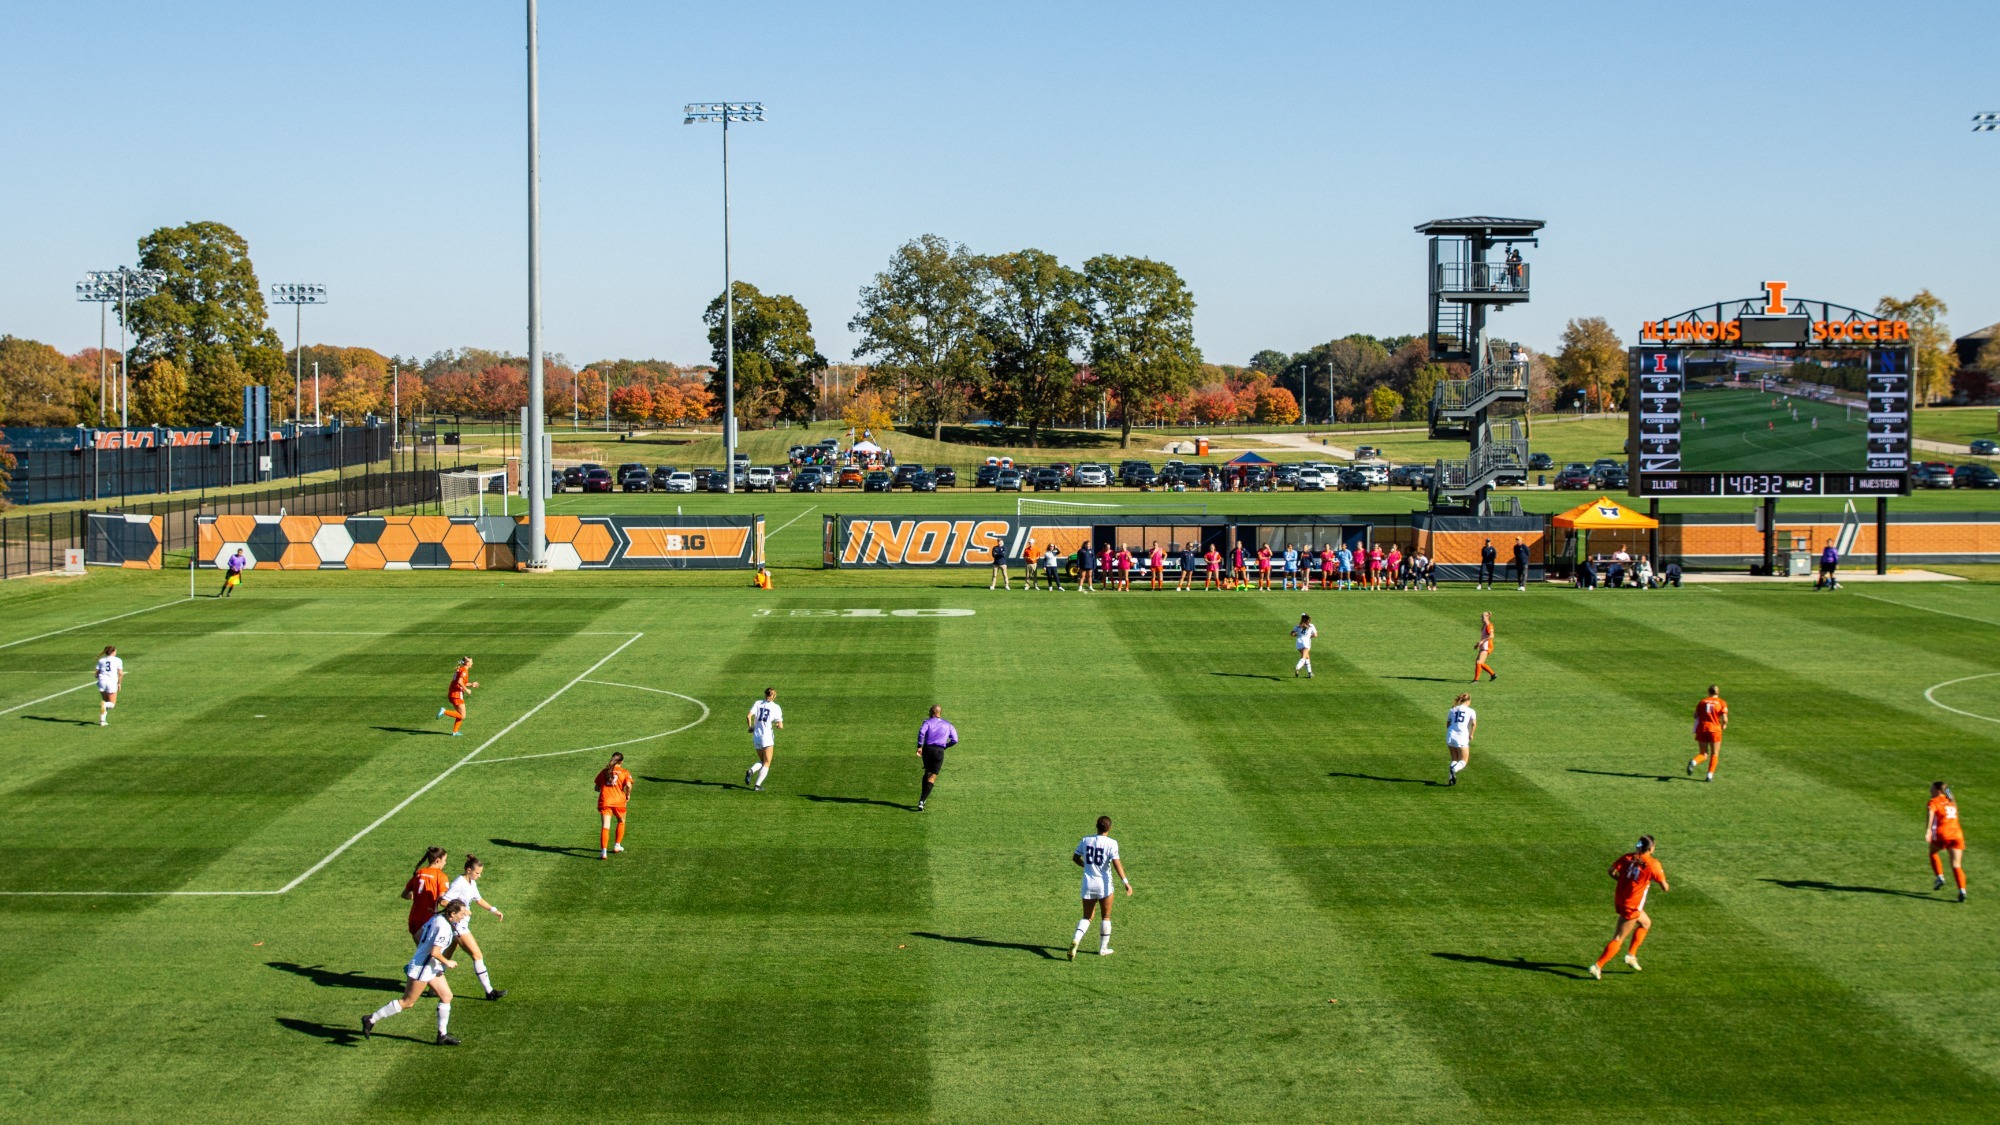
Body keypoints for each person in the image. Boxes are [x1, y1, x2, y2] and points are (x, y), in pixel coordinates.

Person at [363, 898, 470, 1045]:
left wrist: (422, 951)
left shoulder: (436, 918)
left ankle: (442, 1035)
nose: (464, 916)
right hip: (423, 967)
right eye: (462, 914)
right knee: (407, 1002)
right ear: (452, 914)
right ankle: (371, 1019)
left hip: (429, 965)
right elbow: (435, 952)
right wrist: (447, 962)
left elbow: (418, 935)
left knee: (446, 996)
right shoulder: (444, 928)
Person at [1589, 836, 1669, 979]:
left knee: (1646, 923)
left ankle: (1631, 955)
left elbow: (1611, 871)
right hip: (1632, 906)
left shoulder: (1628, 857)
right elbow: (1665, 887)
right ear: (1651, 848)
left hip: (1621, 899)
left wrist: (1623, 881)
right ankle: (1598, 966)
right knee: (1618, 938)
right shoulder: (1653, 864)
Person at [441, 855, 507, 1000]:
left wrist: (493, 910)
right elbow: (444, 901)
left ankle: (434, 986)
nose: (479, 876)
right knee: (477, 955)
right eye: (477, 873)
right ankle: (489, 992)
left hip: (461, 924)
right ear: (468, 870)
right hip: (458, 925)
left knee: (446, 954)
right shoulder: (459, 883)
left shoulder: (471, 882)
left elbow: (479, 899)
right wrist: (462, 910)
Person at [1068, 815, 1133, 960]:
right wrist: (1125, 882)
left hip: (1088, 884)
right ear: (1109, 828)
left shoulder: (1086, 840)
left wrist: (1087, 866)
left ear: (1096, 826)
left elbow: (1075, 858)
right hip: (1104, 885)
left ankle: (1076, 940)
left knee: (1087, 917)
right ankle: (1103, 949)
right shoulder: (1112, 843)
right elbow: (1116, 863)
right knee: (1106, 916)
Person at [1928, 782, 1967, 902]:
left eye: (1932, 789)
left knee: (1933, 851)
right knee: (1956, 865)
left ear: (1939, 791)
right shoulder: (1952, 801)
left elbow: (1930, 813)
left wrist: (1928, 830)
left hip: (1943, 834)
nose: (1930, 791)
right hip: (1957, 835)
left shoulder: (1934, 802)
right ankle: (1962, 890)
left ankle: (1940, 877)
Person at [402, 846, 450, 941]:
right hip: (427, 920)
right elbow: (442, 902)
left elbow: (404, 894)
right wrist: (460, 908)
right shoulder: (440, 876)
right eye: (444, 860)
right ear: (437, 861)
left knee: (421, 953)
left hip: (413, 920)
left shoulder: (419, 873)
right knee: (432, 953)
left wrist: (418, 896)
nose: (445, 863)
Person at [916, 704, 957, 811]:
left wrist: (919, 746)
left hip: (927, 749)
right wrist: (945, 746)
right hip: (939, 751)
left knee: (927, 772)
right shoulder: (948, 724)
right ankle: (922, 801)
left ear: (933, 712)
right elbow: (955, 740)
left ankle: (922, 796)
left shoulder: (927, 722)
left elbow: (921, 733)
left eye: (929, 712)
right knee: (932, 776)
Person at [744, 688, 783, 792]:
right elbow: (780, 725)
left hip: (756, 736)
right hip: (767, 737)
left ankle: (752, 770)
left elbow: (748, 716)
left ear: (765, 695)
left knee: (762, 760)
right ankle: (757, 785)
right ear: (774, 696)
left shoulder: (758, 703)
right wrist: (776, 725)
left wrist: (750, 727)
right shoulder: (776, 707)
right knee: (767, 762)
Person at [1686, 685, 1727, 782]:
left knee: (1703, 753)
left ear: (1708, 692)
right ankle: (1709, 775)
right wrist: (1724, 725)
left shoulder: (1703, 701)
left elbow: (1695, 715)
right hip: (1715, 730)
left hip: (1702, 729)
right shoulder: (1721, 702)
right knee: (1715, 753)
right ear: (1718, 692)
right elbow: (1725, 719)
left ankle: (1694, 762)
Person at [596, 751, 633, 857]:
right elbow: (629, 785)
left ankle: (603, 852)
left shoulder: (604, 772)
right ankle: (617, 845)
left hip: (605, 801)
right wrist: (628, 794)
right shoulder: (624, 772)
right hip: (619, 801)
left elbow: (597, 787)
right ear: (621, 761)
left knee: (605, 826)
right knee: (621, 821)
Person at [437, 657, 478, 737]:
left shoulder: (460, 669)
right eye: (471, 662)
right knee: (463, 715)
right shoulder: (464, 671)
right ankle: (444, 711)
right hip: (456, 695)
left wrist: (471, 684)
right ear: (467, 663)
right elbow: (459, 682)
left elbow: (460, 682)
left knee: (459, 714)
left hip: (452, 693)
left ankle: (455, 732)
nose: (472, 663)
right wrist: (467, 690)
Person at [1445, 692, 1477, 786]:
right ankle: (1454, 770)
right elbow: (1474, 724)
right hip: (1461, 736)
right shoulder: (1471, 711)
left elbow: (1448, 724)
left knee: (1454, 758)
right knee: (1463, 760)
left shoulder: (1453, 709)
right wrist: (1471, 734)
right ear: (1468, 701)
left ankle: (1451, 779)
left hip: (1450, 736)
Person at [94, 644, 124, 727]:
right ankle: (105, 706)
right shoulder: (118, 660)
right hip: (111, 682)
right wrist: (119, 683)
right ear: (113, 651)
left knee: (105, 701)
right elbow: (121, 673)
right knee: (111, 704)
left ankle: (102, 721)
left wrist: (99, 676)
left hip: (102, 681)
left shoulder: (101, 660)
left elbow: (96, 673)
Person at [1472, 612, 1497, 683]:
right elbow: (1484, 636)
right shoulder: (1484, 625)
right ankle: (1493, 674)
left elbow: (1491, 636)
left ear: (1487, 617)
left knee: (1478, 662)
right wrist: (1479, 644)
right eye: (1481, 617)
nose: (1481, 619)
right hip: (1483, 645)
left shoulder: (1489, 625)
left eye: (1482, 617)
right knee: (1481, 663)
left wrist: (1482, 641)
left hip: (1487, 646)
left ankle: (1476, 680)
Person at [1291, 614, 1317, 678]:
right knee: (1303, 658)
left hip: (1299, 643)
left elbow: (1292, 634)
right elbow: (1315, 635)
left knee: (1307, 657)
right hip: (1306, 643)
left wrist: (1297, 635)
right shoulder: (1311, 626)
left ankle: (1310, 673)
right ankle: (1297, 667)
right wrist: (1309, 637)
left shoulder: (1298, 626)